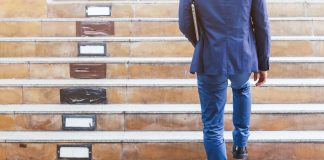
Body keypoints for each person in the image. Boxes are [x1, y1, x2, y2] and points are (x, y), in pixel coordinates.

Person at [178, 0, 271, 159]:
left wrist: (201, 43)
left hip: (210, 56)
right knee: (242, 88)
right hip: (242, 53)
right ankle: (241, 145)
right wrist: (263, 62)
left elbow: (184, 22)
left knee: (213, 127)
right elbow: (262, 23)